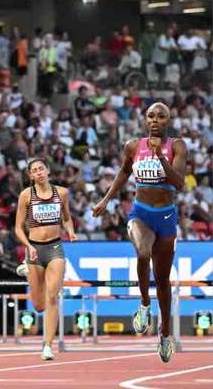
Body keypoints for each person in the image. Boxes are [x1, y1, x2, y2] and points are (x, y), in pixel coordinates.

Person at [92, 102, 186, 363]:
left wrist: (160, 158)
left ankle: (165, 333)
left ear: (168, 120)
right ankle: (144, 305)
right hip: (141, 212)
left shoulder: (177, 146)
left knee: (163, 279)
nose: (155, 120)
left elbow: (178, 183)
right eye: (151, 116)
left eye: (160, 116)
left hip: (166, 215)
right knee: (143, 252)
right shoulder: (133, 146)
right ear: (146, 120)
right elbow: (123, 172)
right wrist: (105, 200)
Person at [14, 158, 77, 361]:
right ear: (30, 176)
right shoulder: (26, 195)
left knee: (52, 296)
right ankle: (27, 270)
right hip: (34, 250)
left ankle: (48, 345)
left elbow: (66, 217)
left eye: (41, 168)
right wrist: (28, 245)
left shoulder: (62, 193)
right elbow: (18, 227)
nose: (39, 172)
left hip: (55, 247)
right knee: (39, 305)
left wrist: (71, 231)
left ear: (48, 171)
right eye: (34, 170)